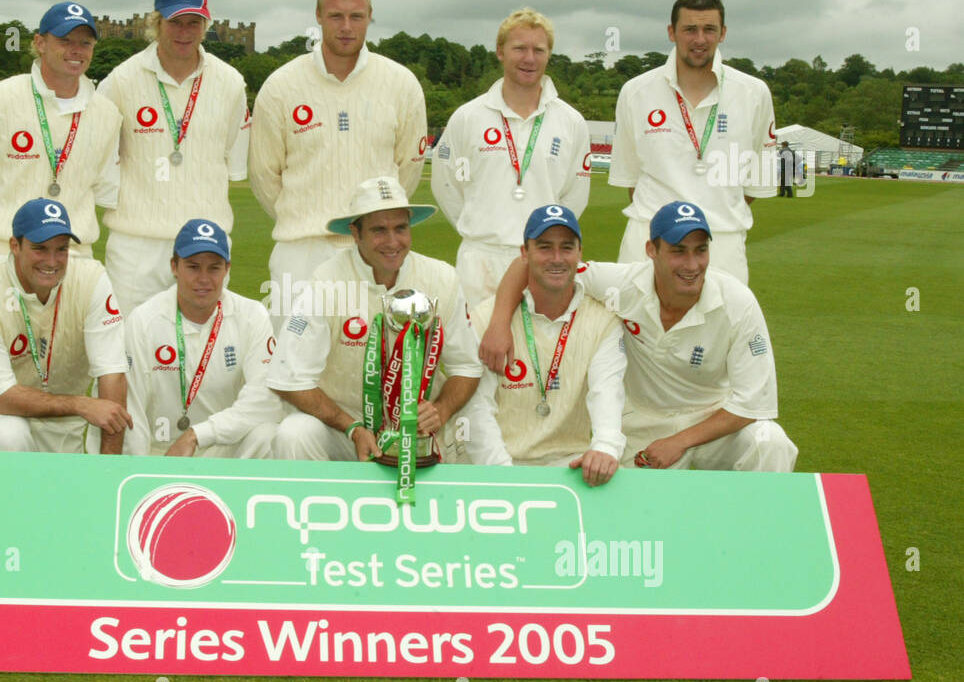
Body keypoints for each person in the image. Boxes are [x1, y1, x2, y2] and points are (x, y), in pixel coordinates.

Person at [479, 201, 797, 472]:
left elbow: (751, 404)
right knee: (606, 483)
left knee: (771, 443)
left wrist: (679, 441)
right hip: (641, 425)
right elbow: (533, 265)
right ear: (651, 250)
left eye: (700, 251)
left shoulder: (737, 302)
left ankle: (758, 538)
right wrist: (499, 322)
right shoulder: (622, 283)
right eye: (678, 251)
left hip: (713, 420)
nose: (692, 265)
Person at [267, 176, 486, 462]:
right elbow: (288, 377)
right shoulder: (327, 281)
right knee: (293, 434)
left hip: (418, 430)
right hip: (343, 428)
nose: (393, 242)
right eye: (379, 230)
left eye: (401, 228)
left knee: (475, 422)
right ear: (355, 233)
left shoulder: (441, 277)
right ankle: (315, 506)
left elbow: (467, 366)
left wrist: (440, 411)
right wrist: (352, 427)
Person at [249, 0, 428, 314]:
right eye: (336, 16)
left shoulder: (401, 83)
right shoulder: (281, 86)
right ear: (318, 16)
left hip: (374, 251)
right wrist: (304, 218)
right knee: (293, 364)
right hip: (301, 251)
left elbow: (408, 169)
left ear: (369, 16)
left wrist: (372, 226)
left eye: (356, 17)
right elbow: (263, 175)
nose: (346, 27)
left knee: (373, 361)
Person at [96, 0, 250, 313]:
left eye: (193, 22)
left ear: (205, 25)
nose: (184, 32)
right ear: (156, 22)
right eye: (174, 22)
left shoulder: (231, 84)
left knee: (204, 354)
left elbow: (231, 158)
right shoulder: (120, 81)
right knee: (130, 354)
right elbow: (99, 160)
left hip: (207, 245)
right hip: (136, 246)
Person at [0, 1, 122, 288]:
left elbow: (103, 190)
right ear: (40, 43)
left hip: (74, 260)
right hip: (1, 254)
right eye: (65, 40)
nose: (76, 50)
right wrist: (12, 233)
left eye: (85, 43)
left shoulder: (107, 114)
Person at [608, 0, 777, 285]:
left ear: (722, 33)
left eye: (709, 29)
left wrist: (713, 211)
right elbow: (631, 180)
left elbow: (755, 184)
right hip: (648, 241)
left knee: (720, 332)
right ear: (672, 32)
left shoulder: (754, 93)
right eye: (689, 29)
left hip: (721, 243)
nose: (700, 39)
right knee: (638, 331)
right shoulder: (635, 92)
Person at [432, 8, 592, 307]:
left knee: (536, 351)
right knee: (476, 352)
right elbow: (445, 187)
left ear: (549, 55)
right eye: (519, 48)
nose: (529, 58)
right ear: (500, 52)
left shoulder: (571, 121)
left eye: (538, 50)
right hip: (480, 260)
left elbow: (575, 196)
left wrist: (544, 245)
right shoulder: (467, 117)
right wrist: (481, 229)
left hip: (542, 261)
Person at [464, 205, 626, 486]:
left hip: (570, 466)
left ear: (580, 252)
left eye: (566, 247)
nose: (556, 258)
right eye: (544, 247)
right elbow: (477, 406)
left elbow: (607, 393)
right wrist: (503, 475)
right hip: (498, 465)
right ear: (524, 253)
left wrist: (605, 448)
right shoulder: (486, 319)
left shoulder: (604, 322)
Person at [0, 199, 131, 454]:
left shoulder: (92, 280)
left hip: (63, 418)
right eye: (40, 249)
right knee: (11, 436)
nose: (52, 261)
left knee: (62, 488)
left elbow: (113, 373)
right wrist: (80, 405)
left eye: (61, 249)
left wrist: (110, 469)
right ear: (14, 246)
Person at [124, 218, 280, 458]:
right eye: (193, 267)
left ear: (227, 269)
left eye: (214, 268)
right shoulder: (144, 320)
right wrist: (141, 472)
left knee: (269, 435)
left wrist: (197, 435)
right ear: (174, 267)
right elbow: (132, 407)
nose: (204, 278)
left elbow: (266, 400)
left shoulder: (251, 316)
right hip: (161, 453)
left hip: (221, 445)